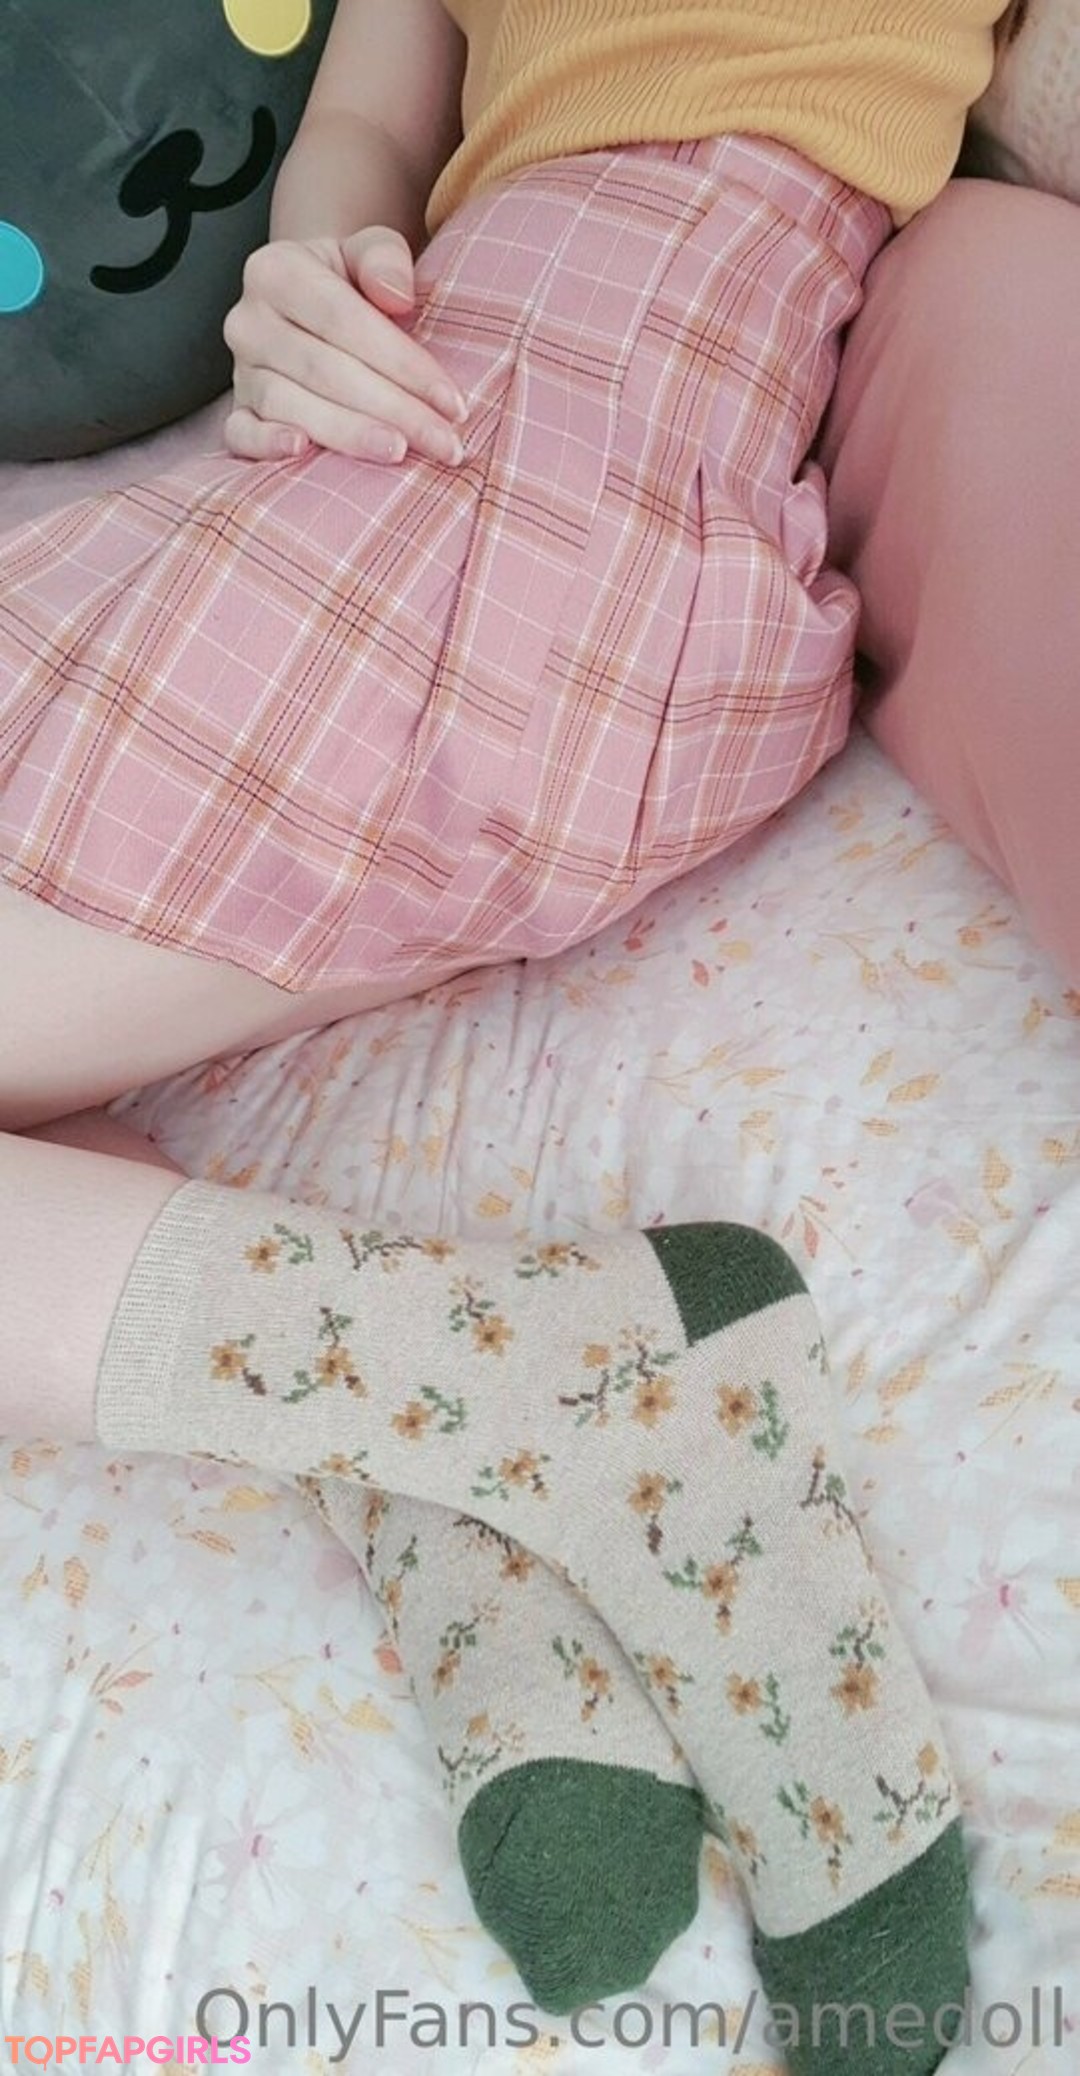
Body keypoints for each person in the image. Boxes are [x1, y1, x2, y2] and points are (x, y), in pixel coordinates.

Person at [0, 6, 1019, 2070]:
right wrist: (310, 278)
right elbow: (367, 129)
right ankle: (489, 1465)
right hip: (400, 465)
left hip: (571, 522)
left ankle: (555, 1397)